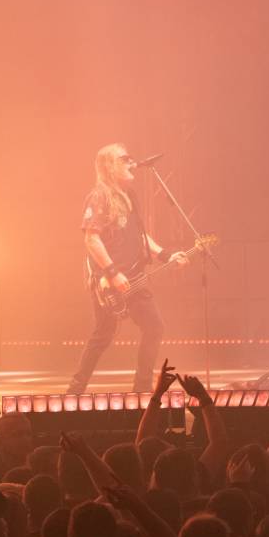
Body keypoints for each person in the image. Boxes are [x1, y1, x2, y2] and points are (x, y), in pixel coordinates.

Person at [69, 143, 188, 394]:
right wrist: (112, 272)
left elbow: (141, 236)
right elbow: (91, 238)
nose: (131, 162)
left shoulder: (130, 195)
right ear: (109, 166)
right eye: (125, 159)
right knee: (103, 335)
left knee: (154, 327)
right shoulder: (99, 196)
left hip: (134, 277)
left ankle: (142, 390)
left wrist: (165, 255)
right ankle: (74, 391)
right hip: (108, 280)